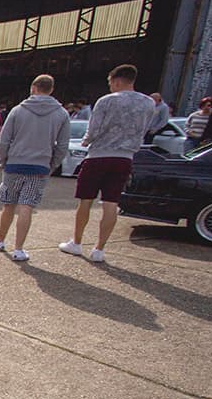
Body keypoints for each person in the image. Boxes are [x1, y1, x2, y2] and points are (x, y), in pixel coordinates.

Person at [58, 64, 154, 263]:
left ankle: (76, 242)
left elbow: (94, 129)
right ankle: (99, 249)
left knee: (85, 200)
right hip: (125, 157)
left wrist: (86, 141)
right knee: (111, 202)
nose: (110, 86)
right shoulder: (148, 103)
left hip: (99, 155)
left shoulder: (107, 101)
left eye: (110, 83)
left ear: (116, 81)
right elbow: (146, 128)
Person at [0, 74, 69, 262]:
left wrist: (3, 159)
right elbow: (62, 145)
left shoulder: (18, 110)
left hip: (15, 163)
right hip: (40, 166)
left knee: (9, 203)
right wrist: (52, 164)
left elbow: (4, 139)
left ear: (33, 88)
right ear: (51, 89)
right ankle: (19, 249)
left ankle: (0, 240)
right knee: (27, 205)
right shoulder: (61, 114)